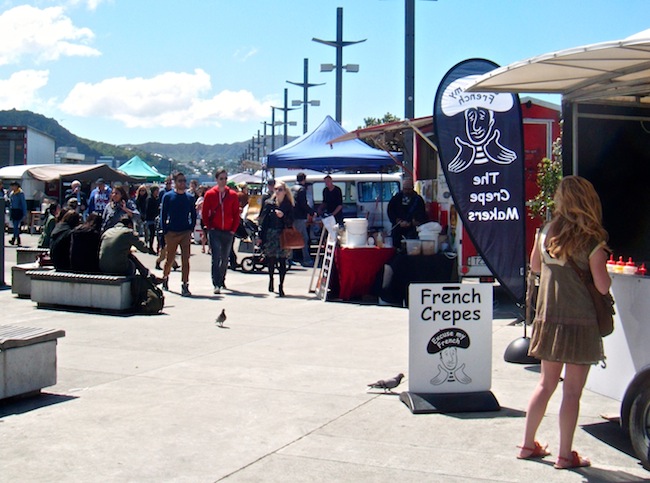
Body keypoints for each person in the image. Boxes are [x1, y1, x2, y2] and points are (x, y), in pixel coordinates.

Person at [518, 176, 610, 470]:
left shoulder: (545, 232)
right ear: (587, 201)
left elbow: (534, 267)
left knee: (545, 384)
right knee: (572, 392)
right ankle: (564, 455)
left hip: (549, 318)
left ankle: (527, 444)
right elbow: (603, 286)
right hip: (581, 323)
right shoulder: (592, 240)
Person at [202, 168, 240, 294]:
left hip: (228, 231)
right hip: (215, 230)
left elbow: (236, 214)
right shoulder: (210, 194)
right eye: (221, 178)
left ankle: (222, 280)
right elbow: (204, 212)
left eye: (225, 178)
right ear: (216, 180)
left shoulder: (233, 195)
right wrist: (209, 227)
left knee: (225, 258)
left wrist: (233, 230)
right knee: (216, 257)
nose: (223, 181)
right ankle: (216, 283)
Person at [159, 172, 196, 297]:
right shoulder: (168, 197)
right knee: (170, 258)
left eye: (184, 180)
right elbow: (163, 214)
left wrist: (191, 228)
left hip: (185, 231)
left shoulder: (189, 197)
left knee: (185, 259)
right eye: (180, 181)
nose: (182, 183)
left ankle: (185, 284)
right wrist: (165, 230)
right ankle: (165, 278)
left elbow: (193, 214)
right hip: (172, 232)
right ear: (175, 182)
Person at [257, 180, 295, 297]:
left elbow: (291, 222)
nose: (277, 191)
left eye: (280, 189)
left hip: (282, 234)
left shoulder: (288, 205)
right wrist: (260, 237)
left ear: (285, 191)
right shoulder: (269, 203)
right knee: (271, 259)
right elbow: (263, 221)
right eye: (276, 189)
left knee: (282, 260)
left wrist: (283, 216)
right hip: (271, 233)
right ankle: (271, 279)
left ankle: (281, 285)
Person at [99, 216, 159, 280]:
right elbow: (144, 249)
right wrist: (138, 236)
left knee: (128, 254)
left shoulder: (107, 232)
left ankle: (149, 275)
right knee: (132, 261)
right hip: (118, 269)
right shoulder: (128, 232)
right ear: (130, 225)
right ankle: (148, 278)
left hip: (103, 267)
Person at [387, 178, 428, 248]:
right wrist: (396, 220)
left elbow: (422, 213)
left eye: (409, 189)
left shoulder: (418, 200)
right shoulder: (396, 198)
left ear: (412, 188)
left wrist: (413, 221)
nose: (407, 191)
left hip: (412, 229)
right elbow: (390, 210)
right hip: (398, 227)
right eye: (405, 189)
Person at [292, 172, 315, 267]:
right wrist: (311, 212)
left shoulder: (292, 188)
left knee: (293, 238)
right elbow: (303, 204)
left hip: (293, 217)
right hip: (300, 217)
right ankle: (306, 259)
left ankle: (289, 258)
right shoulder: (301, 189)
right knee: (304, 238)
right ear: (304, 179)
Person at [8, 181, 28, 246]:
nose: (13, 187)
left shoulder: (20, 193)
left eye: (14, 186)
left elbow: (23, 204)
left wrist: (24, 214)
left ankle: (14, 239)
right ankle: (17, 239)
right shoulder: (12, 194)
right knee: (15, 226)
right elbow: (10, 203)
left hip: (18, 211)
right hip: (13, 211)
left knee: (16, 225)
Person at [144, 185, 161, 252]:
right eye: (156, 191)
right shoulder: (149, 199)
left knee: (157, 234)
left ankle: (158, 248)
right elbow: (148, 209)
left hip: (156, 218)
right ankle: (150, 248)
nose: (157, 192)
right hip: (150, 219)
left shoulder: (157, 198)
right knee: (151, 234)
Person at [194, 185, 208, 254]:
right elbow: (196, 208)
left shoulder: (210, 198)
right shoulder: (201, 199)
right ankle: (203, 247)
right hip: (203, 217)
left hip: (209, 218)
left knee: (209, 234)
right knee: (204, 233)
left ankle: (209, 248)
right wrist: (200, 205)